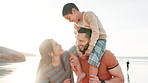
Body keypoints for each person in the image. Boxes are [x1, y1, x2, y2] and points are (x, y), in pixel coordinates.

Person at [62, 3, 107, 78]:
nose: (69, 21)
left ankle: (92, 79)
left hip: (99, 39)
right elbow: (77, 39)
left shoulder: (89, 15)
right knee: (69, 53)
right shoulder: (76, 25)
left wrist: (90, 49)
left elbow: (96, 32)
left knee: (93, 58)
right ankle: (80, 73)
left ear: (74, 11)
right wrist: (78, 51)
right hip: (86, 42)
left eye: (69, 18)